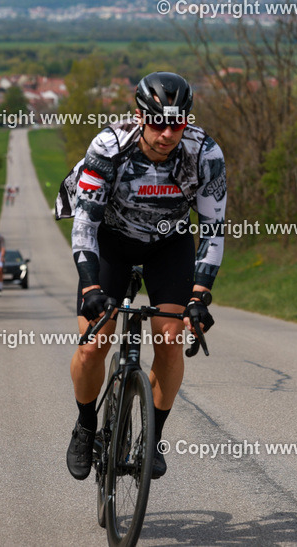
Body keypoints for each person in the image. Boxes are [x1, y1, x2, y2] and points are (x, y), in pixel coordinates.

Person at [65, 72, 226, 481]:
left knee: (170, 341)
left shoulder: (205, 153)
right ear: (139, 116)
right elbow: (84, 223)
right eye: (157, 123)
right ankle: (86, 426)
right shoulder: (109, 146)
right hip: (111, 241)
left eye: (177, 123)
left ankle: (152, 438)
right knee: (93, 345)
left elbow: (212, 229)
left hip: (168, 245)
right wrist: (90, 285)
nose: (167, 134)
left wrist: (199, 296)